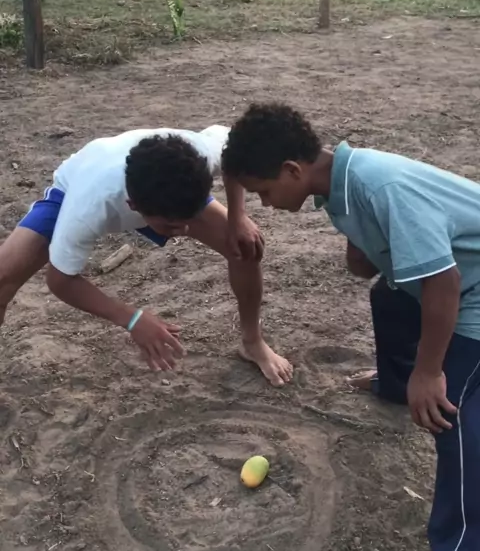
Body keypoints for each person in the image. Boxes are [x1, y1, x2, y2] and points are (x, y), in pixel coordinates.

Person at [221, 101, 480, 551]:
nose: (265, 203)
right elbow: (374, 264)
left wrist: (429, 372)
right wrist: (363, 246)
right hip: (457, 278)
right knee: (389, 295)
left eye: (264, 191)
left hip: (470, 292)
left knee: (453, 414)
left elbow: (443, 284)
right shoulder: (339, 181)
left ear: (292, 170)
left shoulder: (379, 186)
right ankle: (395, 385)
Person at [0, 124, 293, 387]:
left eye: (188, 220)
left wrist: (237, 217)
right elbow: (60, 279)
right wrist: (132, 319)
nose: (182, 232)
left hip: (167, 182)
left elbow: (233, 152)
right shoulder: (87, 206)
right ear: (133, 207)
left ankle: (252, 342)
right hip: (76, 186)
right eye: (171, 226)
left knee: (244, 246)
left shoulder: (199, 155)